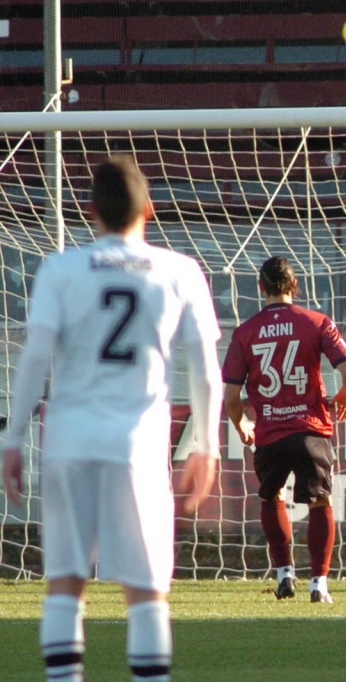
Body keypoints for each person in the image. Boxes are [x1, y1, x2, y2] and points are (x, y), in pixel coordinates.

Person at [1, 155, 222, 682]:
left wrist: (12, 438)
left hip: (68, 442)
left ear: (90, 209)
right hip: (137, 448)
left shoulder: (60, 268)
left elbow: (34, 358)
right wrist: (207, 445)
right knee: (146, 593)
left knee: (64, 583)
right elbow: (207, 369)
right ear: (150, 208)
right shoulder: (179, 270)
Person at [221, 256, 346, 604]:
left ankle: (284, 575)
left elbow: (231, 397)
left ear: (260, 287)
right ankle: (319, 585)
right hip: (311, 428)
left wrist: (242, 426)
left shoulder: (244, 333)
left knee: (271, 497)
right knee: (320, 501)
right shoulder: (316, 322)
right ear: (294, 286)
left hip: (270, 432)